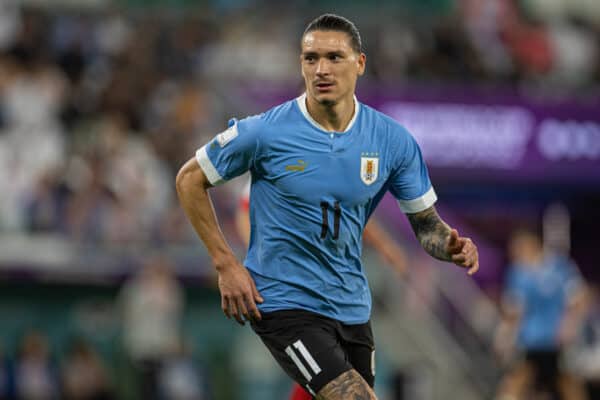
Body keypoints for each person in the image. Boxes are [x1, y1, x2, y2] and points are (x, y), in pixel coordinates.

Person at [176, 13, 479, 400]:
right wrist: (226, 263)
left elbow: (426, 226)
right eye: (311, 58)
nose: (321, 69)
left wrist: (450, 247)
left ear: (360, 63)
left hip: (351, 305)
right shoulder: (265, 132)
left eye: (334, 57)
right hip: (283, 301)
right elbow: (189, 179)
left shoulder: (392, 141)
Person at [235, 178, 407, 400]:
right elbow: (246, 215)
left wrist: (386, 246)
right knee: (325, 373)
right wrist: (261, 259)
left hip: (331, 288)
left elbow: (350, 212)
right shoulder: (274, 166)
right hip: (292, 293)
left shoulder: (329, 167)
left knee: (333, 371)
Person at [494, 228, 587, 400]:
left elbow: (579, 299)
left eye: (518, 247)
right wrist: (505, 337)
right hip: (530, 340)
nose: (515, 253)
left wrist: (570, 324)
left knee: (568, 382)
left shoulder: (561, 267)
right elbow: (513, 311)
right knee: (516, 380)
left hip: (558, 341)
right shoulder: (517, 273)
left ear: (533, 243)